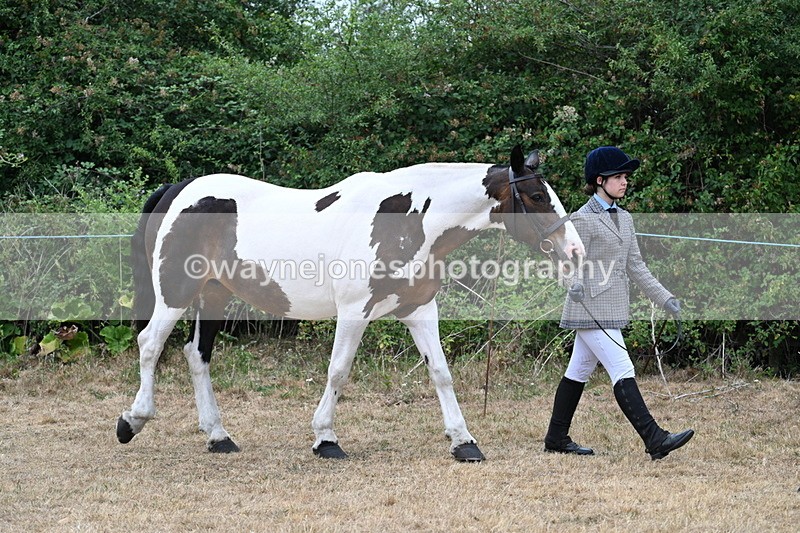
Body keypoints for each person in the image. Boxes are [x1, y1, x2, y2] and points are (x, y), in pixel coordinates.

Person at [543, 146, 694, 460]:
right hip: (590, 308)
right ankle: (655, 439)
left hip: (612, 307)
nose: (625, 182)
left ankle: (556, 438)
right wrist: (573, 283)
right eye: (618, 176)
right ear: (599, 180)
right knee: (623, 368)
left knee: (579, 369)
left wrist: (665, 298)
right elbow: (564, 262)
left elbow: (636, 266)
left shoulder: (625, 219)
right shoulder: (580, 220)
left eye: (626, 176)